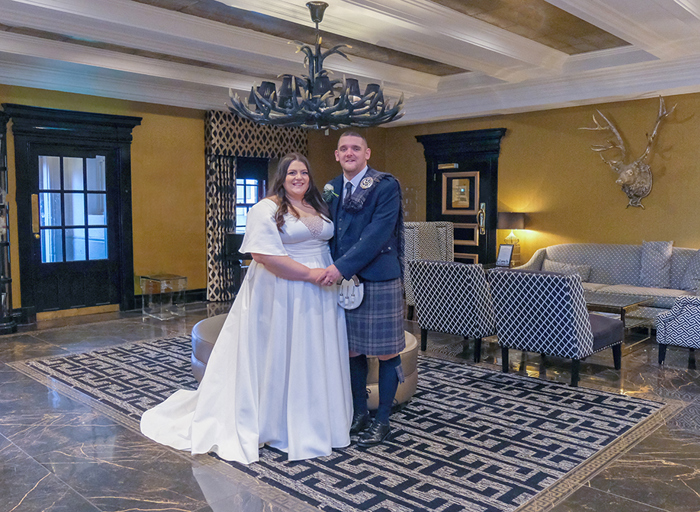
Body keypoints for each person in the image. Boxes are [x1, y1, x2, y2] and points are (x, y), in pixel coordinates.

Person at [140, 153, 352, 464]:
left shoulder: (318, 205)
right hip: (284, 288)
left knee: (313, 350)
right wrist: (310, 274)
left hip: (322, 288)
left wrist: (332, 272)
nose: (298, 177)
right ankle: (277, 421)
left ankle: (319, 419)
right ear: (280, 177)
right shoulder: (265, 208)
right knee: (281, 350)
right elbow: (263, 255)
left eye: (304, 172)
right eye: (292, 172)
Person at [317, 131, 405, 447]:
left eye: (356, 148)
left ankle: (382, 421)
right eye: (344, 149)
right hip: (344, 282)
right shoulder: (332, 189)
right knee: (352, 349)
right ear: (336, 155)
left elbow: (377, 234)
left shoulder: (385, 185)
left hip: (379, 278)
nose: (350, 153)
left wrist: (339, 268)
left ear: (367, 154)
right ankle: (359, 414)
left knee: (386, 350)